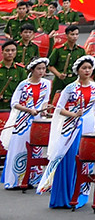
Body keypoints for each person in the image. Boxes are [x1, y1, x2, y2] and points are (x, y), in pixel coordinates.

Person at [37, 55, 95, 207]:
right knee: (70, 158)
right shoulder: (70, 88)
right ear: (77, 70)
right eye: (84, 68)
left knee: (85, 160)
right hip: (71, 127)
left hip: (88, 126)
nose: (87, 70)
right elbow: (59, 109)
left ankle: (81, 195)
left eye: (89, 68)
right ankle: (65, 196)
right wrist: (73, 114)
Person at [2, 54, 54, 190]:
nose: (41, 71)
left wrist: (44, 110)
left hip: (37, 121)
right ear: (32, 69)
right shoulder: (24, 84)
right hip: (22, 121)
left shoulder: (46, 84)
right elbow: (14, 103)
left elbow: (45, 101)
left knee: (36, 149)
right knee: (19, 148)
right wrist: (29, 110)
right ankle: (14, 181)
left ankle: (32, 179)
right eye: (39, 69)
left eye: (43, 68)